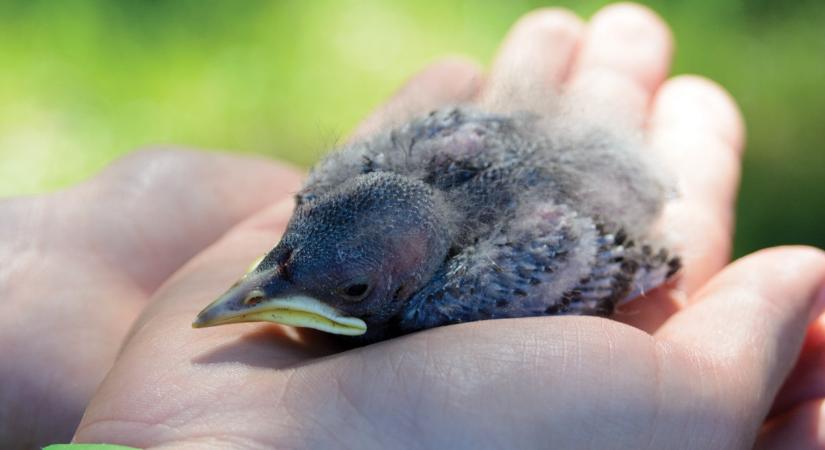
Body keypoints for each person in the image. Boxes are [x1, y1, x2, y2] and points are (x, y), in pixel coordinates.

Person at [1, 3, 823, 449]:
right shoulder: (343, 198)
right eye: (287, 257)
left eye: (352, 288)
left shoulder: (470, 286)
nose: (263, 285)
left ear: (402, 281)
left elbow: (638, 257)